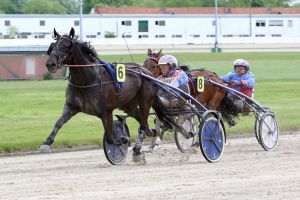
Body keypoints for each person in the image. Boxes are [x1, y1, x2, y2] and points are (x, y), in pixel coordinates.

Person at [221, 59, 256, 126]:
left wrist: (240, 82)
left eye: (241, 68)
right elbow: (222, 79)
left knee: (235, 104)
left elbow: (250, 83)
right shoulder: (231, 75)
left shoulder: (250, 76)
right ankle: (229, 119)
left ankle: (246, 107)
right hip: (232, 97)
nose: (238, 70)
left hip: (244, 99)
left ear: (246, 69)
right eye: (237, 68)